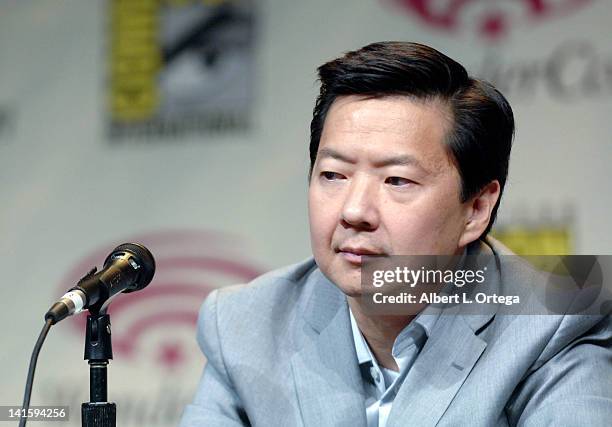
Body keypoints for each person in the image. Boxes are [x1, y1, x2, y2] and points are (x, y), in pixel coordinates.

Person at [179, 42, 612, 426]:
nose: (354, 211)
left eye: (397, 181)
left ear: (477, 209)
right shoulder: (245, 325)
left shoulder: (554, 325)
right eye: (333, 174)